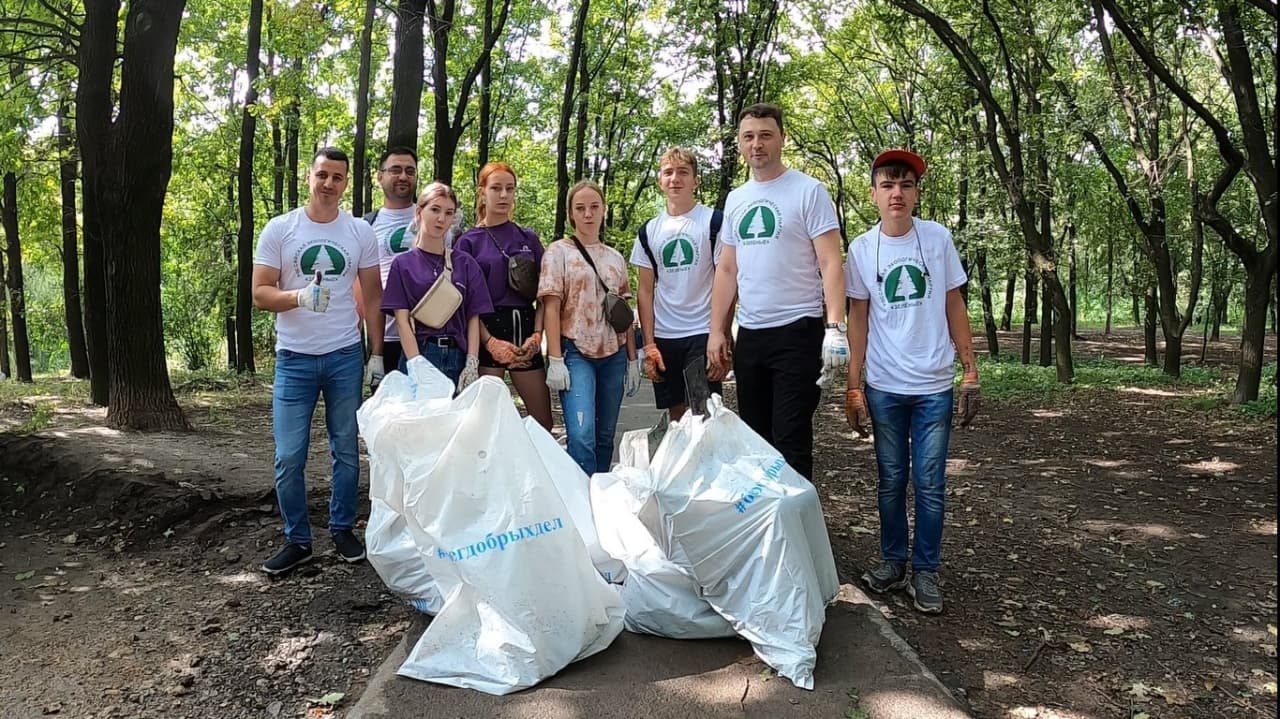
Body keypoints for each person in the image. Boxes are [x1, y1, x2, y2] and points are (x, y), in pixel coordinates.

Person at [844, 148, 980, 615]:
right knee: (890, 479)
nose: (896, 193)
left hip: (934, 385)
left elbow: (954, 304)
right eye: (887, 185)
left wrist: (971, 371)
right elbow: (857, 318)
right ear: (874, 194)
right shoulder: (862, 249)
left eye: (905, 184)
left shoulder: (937, 240)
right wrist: (853, 385)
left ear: (917, 193)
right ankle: (893, 562)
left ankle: (925, 571)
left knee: (929, 482)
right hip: (884, 385)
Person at [252, 147, 383, 576]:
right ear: (310, 176)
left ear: (346, 183)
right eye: (322, 175)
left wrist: (376, 353)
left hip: (344, 355)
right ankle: (298, 540)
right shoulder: (281, 229)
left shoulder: (360, 231)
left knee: (346, 449)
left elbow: (373, 295)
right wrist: (298, 297)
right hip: (293, 359)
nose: (329, 184)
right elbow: (260, 293)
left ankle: (343, 527)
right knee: (290, 455)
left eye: (337, 177)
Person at [707, 103, 849, 481]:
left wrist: (835, 327)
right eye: (749, 136)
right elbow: (727, 269)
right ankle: (766, 530)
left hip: (798, 331)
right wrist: (717, 330)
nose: (757, 144)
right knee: (755, 441)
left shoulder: (808, 191)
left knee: (790, 438)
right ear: (739, 144)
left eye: (766, 135)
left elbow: (831, 263)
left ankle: (799, 533)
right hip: (751, 336)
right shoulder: (736, 200)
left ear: (782, 139)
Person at [539, 180, 641, 475]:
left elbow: (623, 312)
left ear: (603, 210)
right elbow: (551, 305)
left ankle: (599, 494)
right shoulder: (558, 252)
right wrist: (555, 359)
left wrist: (633, 360)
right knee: (582, 434)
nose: (588, 214)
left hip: (614, 353)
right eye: (580, 208)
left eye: (594, 207)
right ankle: (580, 501)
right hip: (575, 351)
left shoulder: (615, 258)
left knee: (605, 435)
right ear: (571, 214)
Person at [453, 162, 553, 430]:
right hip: (486, 330)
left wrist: (537, 335)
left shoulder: (527, 238)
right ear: (482, 193)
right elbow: (463, 302)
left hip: (525, 329)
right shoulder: (468, 241)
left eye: (510, 189)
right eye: (496, 188)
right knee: (484, 424)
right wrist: (490, 342)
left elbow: (545, 292)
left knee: (542, 422)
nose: (504, 195)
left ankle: (538, 472)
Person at [631, 148, 726, 422]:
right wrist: (649, 345)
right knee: (676, 414)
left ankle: (707, 466)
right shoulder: (649, 231)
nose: (675, 179)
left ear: (696, 181)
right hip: (664, 336)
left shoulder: (714, 222)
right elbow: (645, 291)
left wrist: (721, 336)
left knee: (704, 411)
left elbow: (726, 279)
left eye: (683, 172)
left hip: (702, 332)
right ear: (660, 180)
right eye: (668, 172)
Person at [382, 182, 493, 390]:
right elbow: (402, 321)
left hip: (457, 356)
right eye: (435, 209)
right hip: (421, 351)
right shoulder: (403, 264)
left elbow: (473, 317)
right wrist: (416, 366)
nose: (441, 219)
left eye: (448, 212)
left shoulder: (465, 263)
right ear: (419, 212)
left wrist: (472, 362)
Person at [362, 146, 420, 379]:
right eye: (395, 170)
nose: (403, 176)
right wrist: (372, 352)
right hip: (386, 338)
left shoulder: (436, 216)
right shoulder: (365, 226)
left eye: (410, 171)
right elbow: (362, 292)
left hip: (431, 337)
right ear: (380, 176)